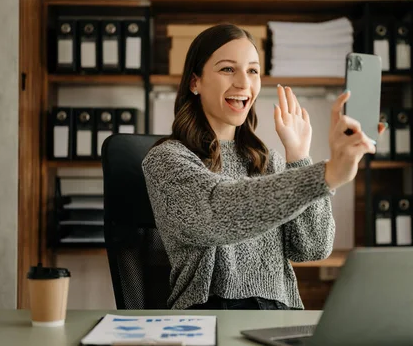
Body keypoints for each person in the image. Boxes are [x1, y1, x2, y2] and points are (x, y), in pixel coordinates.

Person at [142, 23, 383, 310]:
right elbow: (219, 211)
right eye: (228, 69)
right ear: (195, 82)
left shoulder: (267, 161)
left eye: (253, 70)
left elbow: (313, 247)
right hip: (210, 314)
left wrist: (298, 157)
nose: (244, 83)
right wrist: (325, 175)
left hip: (279, 314)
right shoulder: (167, 160)